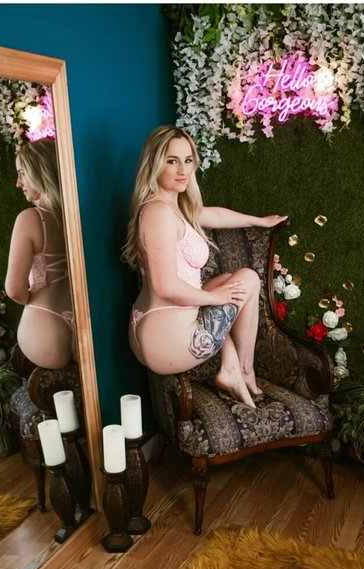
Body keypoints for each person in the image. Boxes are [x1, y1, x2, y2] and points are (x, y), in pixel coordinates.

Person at [122, 125, 287, 408]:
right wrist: (215, 298)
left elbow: (216, 216)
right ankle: (243, 370)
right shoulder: (159, 214)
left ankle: (232, 366)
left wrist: (259, 221)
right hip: (167, 343)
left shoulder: (170, 207)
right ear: (154, 164)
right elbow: (165, 286)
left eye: (188, 160)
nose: (182, 170)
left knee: (227, 279)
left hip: (153, 330)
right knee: (247, 279)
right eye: (172, 161)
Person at [5, 138, 75, 370]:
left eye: (22, 173)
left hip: (44, 325)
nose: (18, 183)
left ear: (40, 171)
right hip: (84, 323)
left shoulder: (30, 219)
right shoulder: (77, 215)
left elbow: (14, 290)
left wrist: (32, 296)